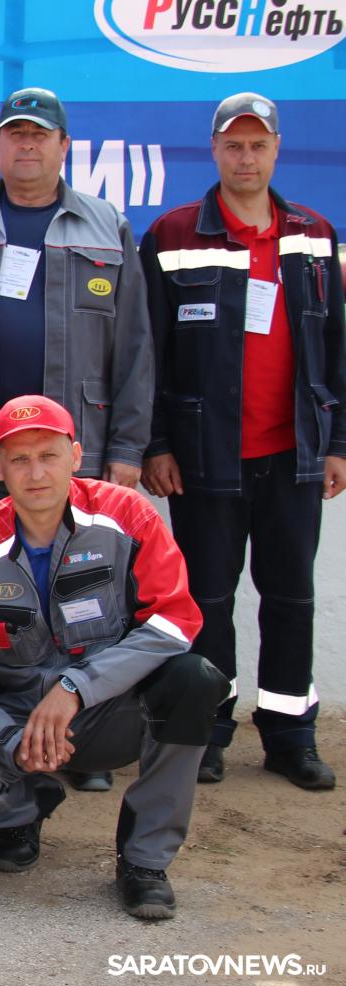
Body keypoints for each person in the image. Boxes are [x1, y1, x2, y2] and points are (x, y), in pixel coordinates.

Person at [0, 396, 228, 920]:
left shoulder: (128, 516)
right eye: (19, 459)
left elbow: (175, 622)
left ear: (76, 456)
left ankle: (144, 861)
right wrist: (11, 740)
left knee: (194, 679)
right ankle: (24, 809)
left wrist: (76, 687)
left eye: (49, 455)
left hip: (111, 711)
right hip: (17, 721)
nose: (35, 473)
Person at [0, 87, 155, 793]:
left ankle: (87, 736)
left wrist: (126, 450)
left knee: (85, 591)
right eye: (15, 135)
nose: (26, 146)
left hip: (73, 448)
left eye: (39, 135)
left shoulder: (107, 226)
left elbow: (135, 348)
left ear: (63, 145)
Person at [139, 92, 344, 791]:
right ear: (215, 149)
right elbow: (149, 353)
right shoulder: (173, 235)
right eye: (234, 145)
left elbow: (336, 350)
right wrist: (157, 443)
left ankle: (289, 735)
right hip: (204, 459)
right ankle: (209, 730)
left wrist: (338, 443)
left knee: (291, 598)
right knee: (207, 602)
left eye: (258, 145)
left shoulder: (314, 234)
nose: (246, 157)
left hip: (294, 458)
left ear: (276, 149)